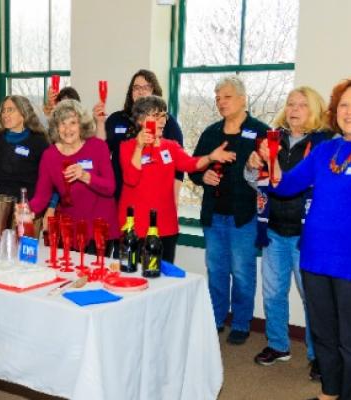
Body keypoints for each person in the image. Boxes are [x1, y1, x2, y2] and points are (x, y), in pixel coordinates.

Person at [252, 79, 351, 399]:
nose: (349, 111)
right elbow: (285, 186)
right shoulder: (326, 150)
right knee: (323, 335)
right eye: (343, 106)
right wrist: (267, 162)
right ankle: (329, 393)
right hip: (315, 257)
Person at [243, 87, 333, 379]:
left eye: (302, 105)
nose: (294, 109)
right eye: (290, 104)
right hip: (274, 231)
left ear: (316, 109)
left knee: (312, 298)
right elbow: (256, 183)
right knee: (272, 294)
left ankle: (318, 355)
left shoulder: (325, 144)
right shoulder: (272, 139)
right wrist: (251, 164)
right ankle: (278, 345)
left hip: (308, 236)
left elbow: (322, 188)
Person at [190, 75, 269, 345]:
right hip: (213, 215)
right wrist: (204, 177)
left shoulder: (259, 131)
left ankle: (241, 322)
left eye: (226, 97)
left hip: (243, 217)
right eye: (217, 97)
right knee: (216, 269)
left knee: (243, 272)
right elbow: (194, 167)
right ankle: (215, 317)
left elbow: (271, 176)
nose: (220, 102)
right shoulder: (211, 132)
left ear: (243, 98)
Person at [120, 96, 235, 263]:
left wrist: (211, 157)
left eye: (163, 116)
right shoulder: (127, 147)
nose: (161, 121)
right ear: (140, 120)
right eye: (155, 116)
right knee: (134, 277)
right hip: (135, 228)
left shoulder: (170, 146)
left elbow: (190, 164)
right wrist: (139, 147)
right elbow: (131, 179)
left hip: (165, 226)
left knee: (163, 279)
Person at [28, 99, 119, 251]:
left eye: (73, 123)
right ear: (56, 127)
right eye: (62, 123)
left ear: (81, 125)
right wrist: (27, 210)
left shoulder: (98, 146)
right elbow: (42, 197)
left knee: (95, 273)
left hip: (100, 228)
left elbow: (110, 188)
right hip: (70, 227)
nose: (67, 129)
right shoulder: (49, 156)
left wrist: (85, 176)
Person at [105, 69, 184, 200]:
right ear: (131, 92)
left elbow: (179, 167)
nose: (140, 91)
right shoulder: (116, 119)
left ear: (154, 91)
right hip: (120, 195)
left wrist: (174, 200)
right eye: (136, 88)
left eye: (146, 87)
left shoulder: (167, 122)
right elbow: (103, 153)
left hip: (155, 198)